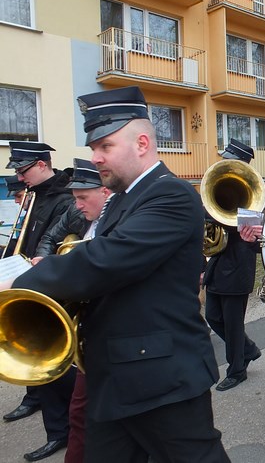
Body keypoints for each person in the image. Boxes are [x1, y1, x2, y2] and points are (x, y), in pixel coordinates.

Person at [0, 86, 229, 463]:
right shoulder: (124, 197)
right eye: (94, 148)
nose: (95, 157)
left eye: (105, 146)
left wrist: (20, 283)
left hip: (162, 379)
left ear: (142, 143)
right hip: (114, 373)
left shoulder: (171, 194)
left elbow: (107, 259)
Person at [32, 158, 111, 463]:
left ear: (105, 191)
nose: (76, 205)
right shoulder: (78, 212)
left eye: (82, 197)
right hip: (88, 337)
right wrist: (42, 260)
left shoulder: (123, 220)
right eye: (75, 197)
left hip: (112, 335)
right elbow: (50, 237)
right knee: (79, 414)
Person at [3, 141, 75, 462]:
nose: (20, 178)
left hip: (50, 285)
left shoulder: (64, 199)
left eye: (23, 171)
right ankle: (55, 428)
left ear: (42, 165)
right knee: (37, 359)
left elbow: (57, 242)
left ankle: (66, 428)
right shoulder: (34, 195)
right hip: (29, 281)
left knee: (54, 364)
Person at [202, 139, 262, 392]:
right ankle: (248, 350)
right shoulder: (218, 185)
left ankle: (237, 370)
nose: (223, 162)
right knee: (213, 317)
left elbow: (257, 244)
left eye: (228, 159)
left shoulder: (250, 193)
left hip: (237, 270)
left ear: (241, 163)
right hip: (217, 267)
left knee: (233, 324)